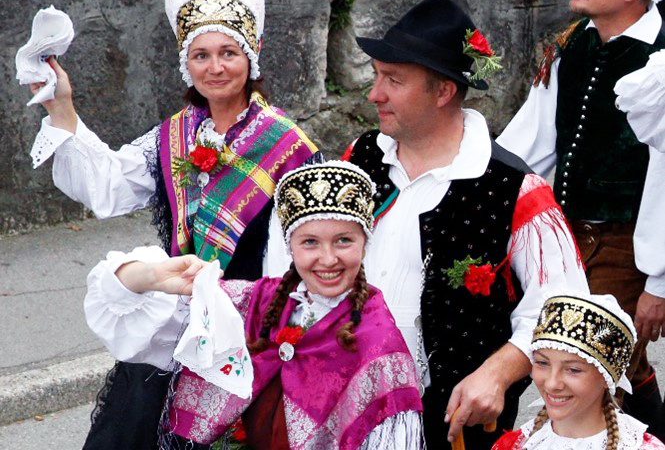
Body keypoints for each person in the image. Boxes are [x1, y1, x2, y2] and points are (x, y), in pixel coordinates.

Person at [26, 0, 319, 448]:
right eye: (201, 55)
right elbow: (109, 185)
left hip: (247, 340)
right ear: (186, 63)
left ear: (252, 55)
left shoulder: (288, 148)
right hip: (176, 331)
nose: (215, 68)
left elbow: (300, 259)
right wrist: (63, 107)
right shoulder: (175, 135)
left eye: (228, 53)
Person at [316, 0, 589, 450]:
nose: (374, 93)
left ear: (443, 92)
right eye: (377, 76)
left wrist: (497, 373)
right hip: (345, 405)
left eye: (393, 80)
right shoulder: (360, 158)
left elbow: (564, 310)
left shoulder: (515, 188)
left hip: (450, 426)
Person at [84, 161, 424, 449]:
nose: (327, 258)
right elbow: (135, 306)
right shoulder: (258, 302)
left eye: (344, 241)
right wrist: (155, 276)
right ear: (290, 247)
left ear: (365, 243)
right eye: (310, 242)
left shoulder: (377, 340)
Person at [497, 0, 665, 438]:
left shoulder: (660, 62)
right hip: (567, 236)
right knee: (617, 363)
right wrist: (483, 184)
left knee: (586, 366)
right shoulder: (572, 45)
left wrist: (659, 280)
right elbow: (530, 140)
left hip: (629, 245)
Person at [492, 293, 665, 450]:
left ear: (608, 377)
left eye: (573, 370)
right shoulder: (513, 445)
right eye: (542, 363)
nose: (552, 384)